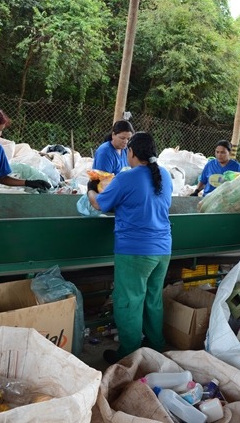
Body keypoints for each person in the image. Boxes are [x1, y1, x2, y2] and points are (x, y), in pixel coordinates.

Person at [87, 131, 173, 364]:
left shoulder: (127, 178)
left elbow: (99, 205)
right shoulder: (165, 175)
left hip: (135, 250)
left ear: (131, 152)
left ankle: (129, 352)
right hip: (163, 249)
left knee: (129, 300)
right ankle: (155, 345)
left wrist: (91, 189)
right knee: (152, 298)